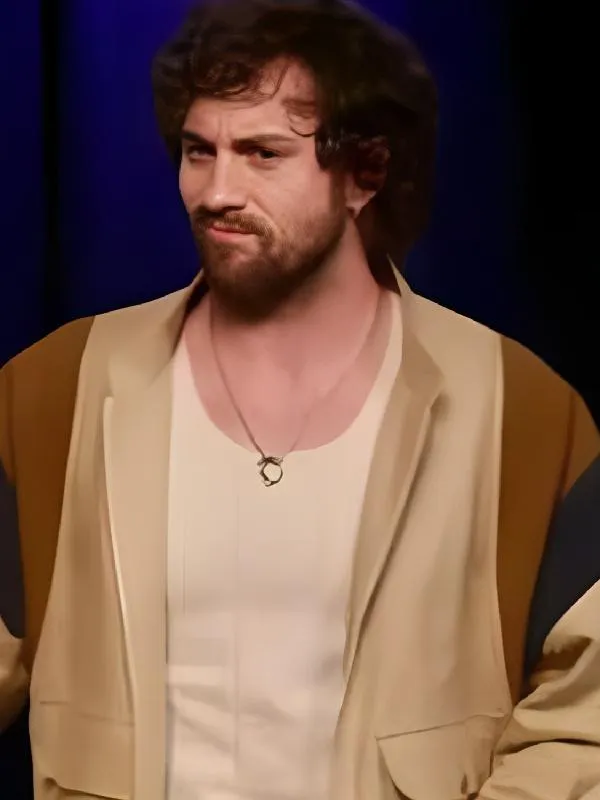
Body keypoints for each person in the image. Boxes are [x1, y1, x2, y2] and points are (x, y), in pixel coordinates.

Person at [1, 0, 599, 797]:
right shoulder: (57, 390)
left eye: (263, 154)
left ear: (365, 175)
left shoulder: (519, 411)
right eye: (199, 151)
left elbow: (585, 713)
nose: (216, 191)